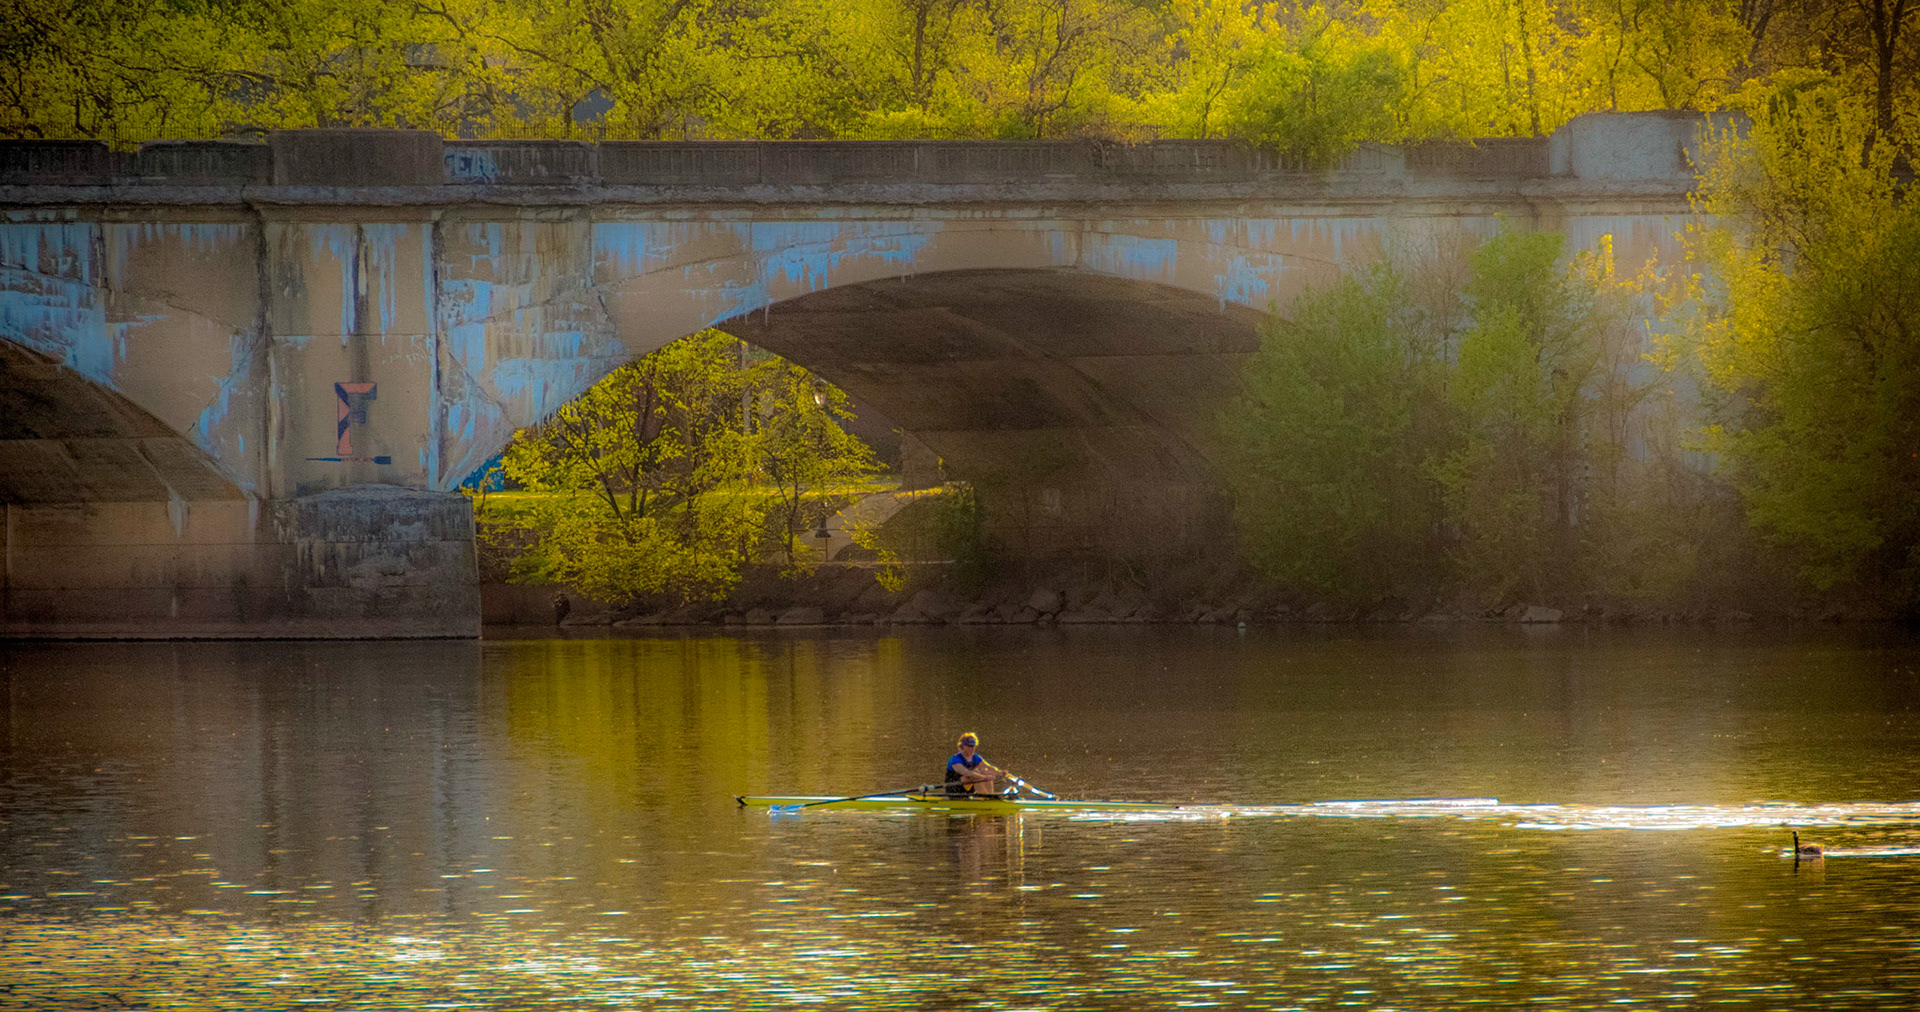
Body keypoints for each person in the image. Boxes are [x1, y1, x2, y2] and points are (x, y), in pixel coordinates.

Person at [944, 732, 1006, 799]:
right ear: (963, 746)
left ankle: (989, 796)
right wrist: (984, 777)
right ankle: (981, 797)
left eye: (974, 746)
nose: (972, 748)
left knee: (986, 772)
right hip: (955, 788)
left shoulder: (975, 757)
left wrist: (1000, 772)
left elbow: (988, 767)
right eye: (970, 746)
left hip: (969, 787)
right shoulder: (955, 759)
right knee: (976, 773)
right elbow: (965, 772)